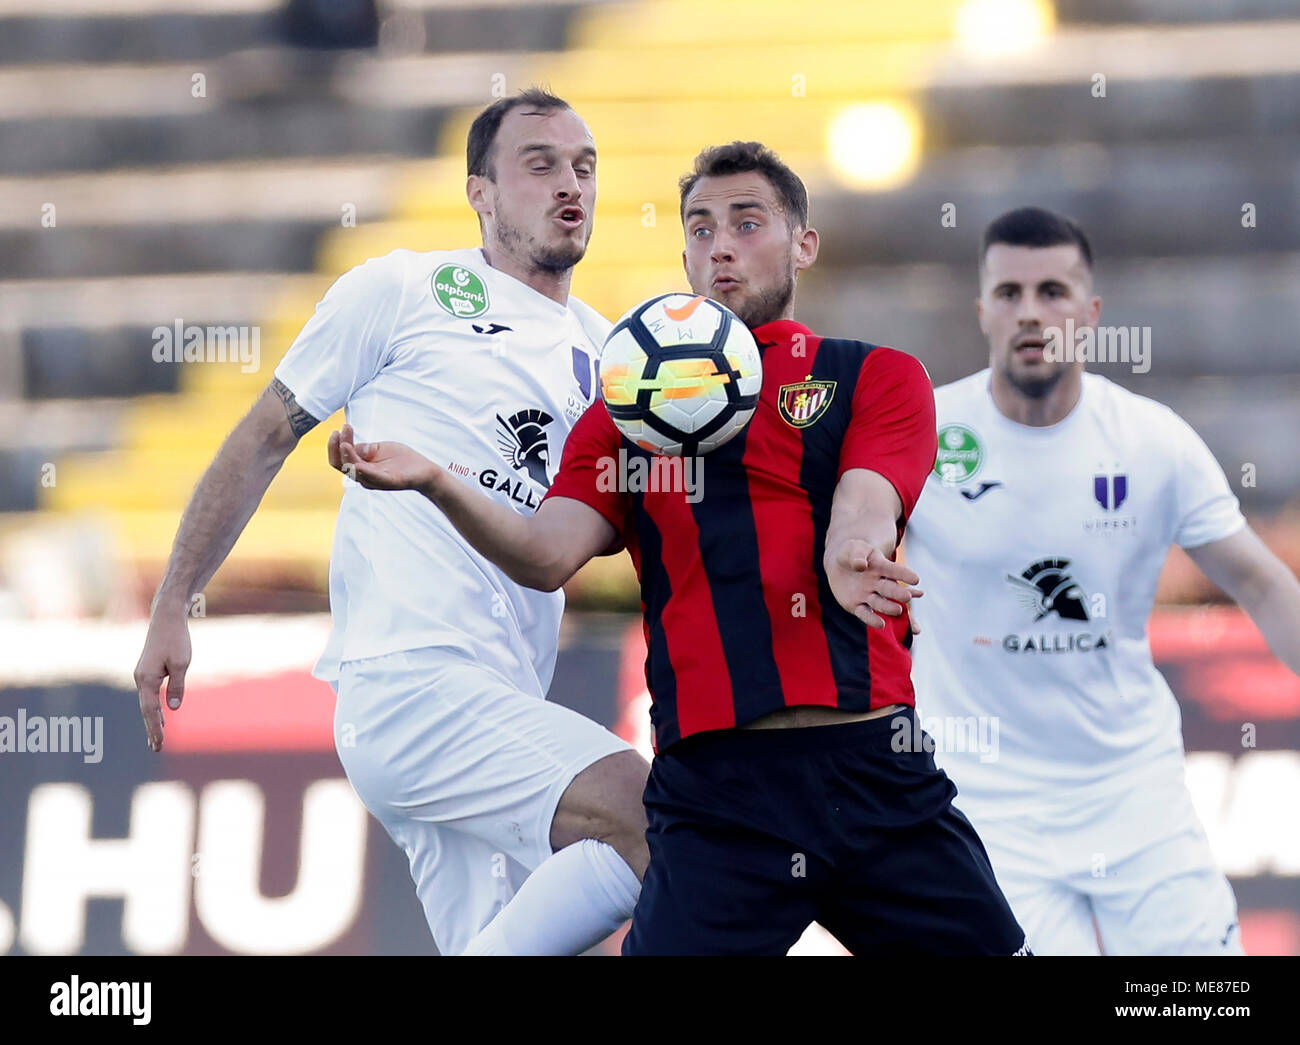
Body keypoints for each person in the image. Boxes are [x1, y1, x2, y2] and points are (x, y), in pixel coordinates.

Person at [328, 141, 1029, 955]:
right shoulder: (625, 408)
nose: (720, 244)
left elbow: (866, 505)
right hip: (718, 800)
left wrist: (853, 552)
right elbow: (547, 552)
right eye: (699, 227)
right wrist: (440, 481)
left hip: (875, 772)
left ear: (803, 243)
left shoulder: (873, 374)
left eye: (747, 221)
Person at [133, 88, 650, 957]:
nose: (571, 182)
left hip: (507, 694)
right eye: (540, 163)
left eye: (584, 165)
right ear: (480, 191)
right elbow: (265, 436)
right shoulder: (403, 288)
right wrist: (173, 601)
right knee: (648, 815)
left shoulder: (614, 358)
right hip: (411, 682)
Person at [904, 205, 1300, 955]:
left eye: (1053, 291)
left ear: (1090, 312)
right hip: (984, 802)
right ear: (982, 309)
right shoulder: (922, 432)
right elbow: (839, 551)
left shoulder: (1152, 442)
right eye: (1011, 292)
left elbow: (1260, 582)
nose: (1031, 312)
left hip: (1131, 790)